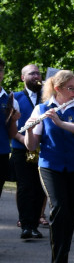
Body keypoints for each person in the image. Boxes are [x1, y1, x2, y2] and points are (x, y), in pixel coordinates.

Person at [25, 70, 74, 263]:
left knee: (70, 213)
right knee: (60, 208)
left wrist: (61, 123)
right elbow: (31, 146)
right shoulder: (42, 109)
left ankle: (64, 259)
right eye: (70, 88)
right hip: (50, 166)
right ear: (58, 89)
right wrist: (30, 129)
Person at [10, 64, 46, 240]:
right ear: (22, 78)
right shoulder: (15, 97)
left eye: (38, 73)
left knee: (40, 188)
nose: (36, 76)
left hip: (43, 150)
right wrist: (24, 139)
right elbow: (10, 127)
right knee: (25, 188)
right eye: (32, 73)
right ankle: (26, 225)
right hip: (20, 149)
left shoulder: (47, 97)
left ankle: (34, 225)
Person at [0, 58, 17, 204]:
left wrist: (13, 120)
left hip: (2, 152)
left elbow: (12, 134)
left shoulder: (10, 100)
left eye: (0, 70)